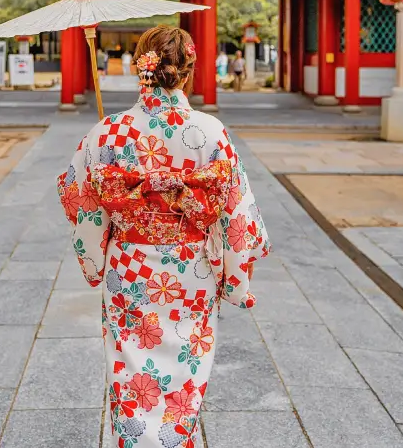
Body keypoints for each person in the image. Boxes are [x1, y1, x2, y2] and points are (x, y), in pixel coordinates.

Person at [58, 25, 270, 448]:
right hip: (190, 270)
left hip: (130, 267)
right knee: (185, 372)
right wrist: (235, 279)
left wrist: (94, 260)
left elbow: (78, 197)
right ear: (188, 71)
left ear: (142, 68)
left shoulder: (108, 132)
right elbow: (237, 213)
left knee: (132, 366)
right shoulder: (212, 132)